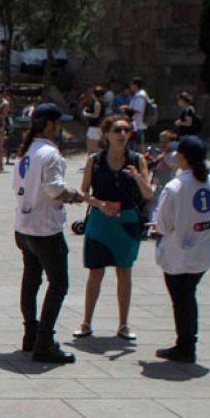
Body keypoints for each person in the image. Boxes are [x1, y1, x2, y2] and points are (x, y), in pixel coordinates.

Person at [12, 103, 88, 364]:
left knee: (31, 279)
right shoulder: (50, 154)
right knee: (59, 283)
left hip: (24, 225)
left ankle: (31, 333)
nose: (61, 127)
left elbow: (17, 185)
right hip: (45, 228)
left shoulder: (26, 151)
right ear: (48, 125)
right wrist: (77, 196)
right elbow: (55, 190)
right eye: (58, 123)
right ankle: (44, 341)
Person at [74, 115, 154, 341]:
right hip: (100, 221)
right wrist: (100, 204)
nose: (122, 134)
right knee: (95, 272)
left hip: (127, 221)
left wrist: (139, 179)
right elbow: (82, 194)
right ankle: (86, 322)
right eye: (117, 130)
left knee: (124, 272)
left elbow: (148, 194)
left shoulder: (138, 160)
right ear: (106, 134)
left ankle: (123, 324)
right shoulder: (95, 160)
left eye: (126, 130)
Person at [151, 137, 210, 362]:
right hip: (204, 251)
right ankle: (186, 342)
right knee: (187, 297)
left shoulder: (175, 187)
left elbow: (163, 223)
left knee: (182, 300)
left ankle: (185, 345)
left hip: (178, 254)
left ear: (183, 157)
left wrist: (156, 230)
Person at [80, 86, 105, 155]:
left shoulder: (97, 103)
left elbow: (96, 115)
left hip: (94, 127)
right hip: (97, 126)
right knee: (94, 147)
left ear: (94, 94)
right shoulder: (99, 102)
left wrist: (86, 114)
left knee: (91, 148)